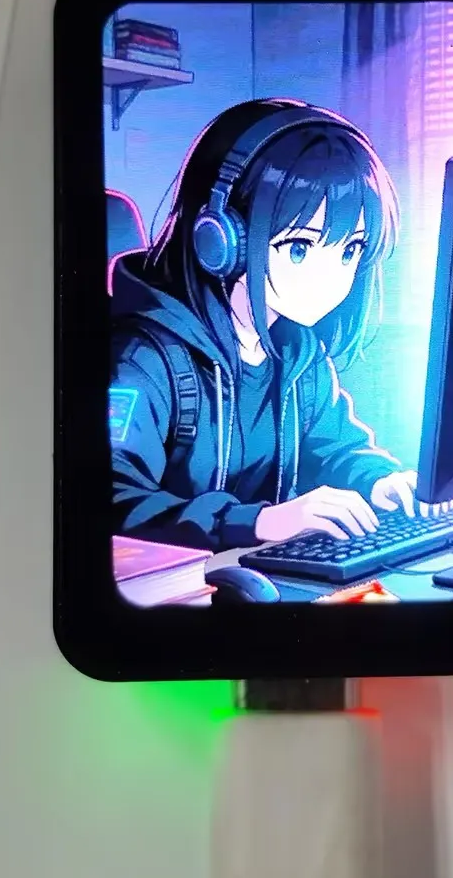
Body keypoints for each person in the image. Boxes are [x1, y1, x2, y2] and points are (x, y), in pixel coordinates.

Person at [109, 98, 420, 551]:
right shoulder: (143, 359)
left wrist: (380, 480)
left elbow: (334, 450)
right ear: (220, 238)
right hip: (177, 583)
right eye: (299, 247)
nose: (332, 279)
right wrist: (256, 522)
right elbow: (110, 495)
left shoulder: (297, 353)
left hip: (257, 573)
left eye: (350, 249)